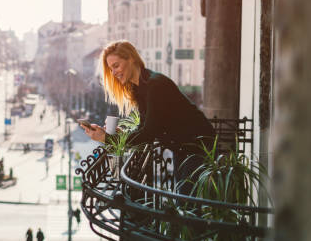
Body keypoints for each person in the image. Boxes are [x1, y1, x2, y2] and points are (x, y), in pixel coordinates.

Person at [81, 40, 215, 195]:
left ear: (131, 59)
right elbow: (145, 126)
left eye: (116, 66)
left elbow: (148, 133)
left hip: (199, 146)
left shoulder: (154, 85)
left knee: (187, 204)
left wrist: (107, 139)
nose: (114, 73)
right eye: (111, 69)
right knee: (184, 203)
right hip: (183, 148)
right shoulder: (140, 88)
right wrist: (120, 134)